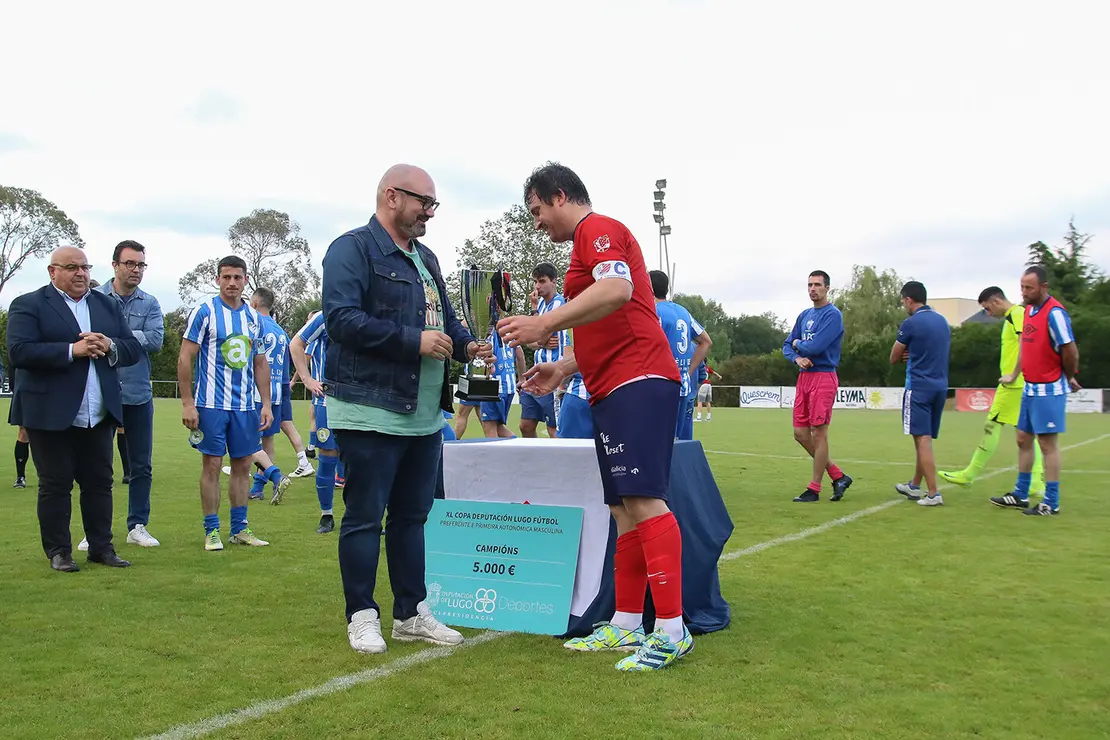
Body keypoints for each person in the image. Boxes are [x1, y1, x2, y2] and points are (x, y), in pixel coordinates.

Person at [498, 162, 691, 672]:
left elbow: (617, 291)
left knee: (645, 501)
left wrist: (542, 323)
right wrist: (562, 368)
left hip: (639, 381)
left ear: (559, 196)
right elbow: (606, 326)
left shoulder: (598, 231)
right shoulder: (582, 248)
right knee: (623, 510)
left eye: (537, 211)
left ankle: (672, 629)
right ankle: (627, 623)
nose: (538, 223)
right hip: (609, 387)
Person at [321, 163, 491, 654]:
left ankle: (411, 613)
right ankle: (362, 614)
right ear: (392, 196)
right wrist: (412, 339)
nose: (430, 214)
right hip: (370, 409)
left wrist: (467, 347)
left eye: (434, 205)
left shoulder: (426, 257)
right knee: (364, 516)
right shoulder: (351, 249)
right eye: (425, 203)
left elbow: (447, 321)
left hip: (424, 414)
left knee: (413, 517)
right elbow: (342, 320)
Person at [6, 246, 142, 571]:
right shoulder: (29, 304)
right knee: (55, 484)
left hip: (98, 412)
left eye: (84, 267)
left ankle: (101, 548)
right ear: (53, 272)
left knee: (99, 483)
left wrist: (109, 345)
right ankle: (59, 552)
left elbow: (133, 348)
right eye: (71, 267)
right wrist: (72, 350)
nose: (80, 273)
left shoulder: (106, 304)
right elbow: (19, 351)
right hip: (49, 413)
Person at [178, 255, 273, 550]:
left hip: (245, 406)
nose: (232, 283)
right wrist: (187, 402)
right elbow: (185, 357)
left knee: (243, 465)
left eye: (237, 277)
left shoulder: (255, 319)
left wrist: (266, 404)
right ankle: (211, 531)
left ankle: (240, 528)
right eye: (226, 277)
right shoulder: (204, 312)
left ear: (246, 280)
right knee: (212, 465)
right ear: (217, 279)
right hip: (210, 404)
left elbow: (259, 363)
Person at [88, 240, 165, 548]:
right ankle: (94, 529)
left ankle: (137, 525)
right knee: (96, 463)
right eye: (130, 264)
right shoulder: (94, 299)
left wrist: (114, 337)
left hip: (137, 392)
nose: (136, 270)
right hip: (99, 391)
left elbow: (156, 340)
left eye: (141, 265)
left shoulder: (150, 303)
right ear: (115, 265)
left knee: (140, 465)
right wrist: (130, 338)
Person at [991, 267, 1080, 516]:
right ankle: (1020, 494)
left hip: (1049, 388)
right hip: (1030, 387)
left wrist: (1069, 376)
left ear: (1044, 287)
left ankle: (1051, 502)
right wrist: (1015, 373)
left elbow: (1070, 351)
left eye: (1029, 287)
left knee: (1047, 444)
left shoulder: (1055, 314)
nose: (1024, 292)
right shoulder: (1028, 310)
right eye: (1022, 287)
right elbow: (1026, 348)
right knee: (1022, 439)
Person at [939, 286, 1045, 495]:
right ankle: (1037, 483)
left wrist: (1013, 374)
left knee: (993, 425)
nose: (988, 314)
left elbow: (1027, 344)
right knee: (1026, 433)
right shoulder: (1017, 315)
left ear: (996, 301)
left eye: (988, 308)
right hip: (1022, 384)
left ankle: (969, 474)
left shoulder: (1016, 314)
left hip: (1014, 385)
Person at [782, 270, 853, 503]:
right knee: (800, 433)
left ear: (827, 288)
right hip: (804, 377)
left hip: (823, 376)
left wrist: (797, 344)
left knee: (819, 433)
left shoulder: (833, 316)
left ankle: (814, 488)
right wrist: (796, 357)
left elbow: (815, 347)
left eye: (817, 285)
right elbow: (786, 346)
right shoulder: (804, 315)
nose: (813, 289)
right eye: (810, 285)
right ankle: (838, 475)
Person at [889, 281, 951, 506]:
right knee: (923, 437)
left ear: (908, 300)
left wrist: (908, 353)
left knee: (922, 439)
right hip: (940, 386)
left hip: (918, 386)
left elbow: (894, 357)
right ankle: (915, 485)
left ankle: (934, 493)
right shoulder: (942, 321)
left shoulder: (910, 324)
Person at [290, 309, 340, 533]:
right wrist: (306, 378)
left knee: (364, 461)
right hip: (328, 402)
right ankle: (326, 515)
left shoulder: (372, 310)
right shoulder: (325, 315)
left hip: (363, 403)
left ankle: (367, 517)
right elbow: (296, 344)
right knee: (328, 458)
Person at [650, 270, 712, 441]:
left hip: (661, 387)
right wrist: (688, 371)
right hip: (683, 386)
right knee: (681, 441)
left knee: (659, 443)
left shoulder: (653, 313)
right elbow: (706, 341)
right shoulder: (682, 311)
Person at [519, 262, 565, 438]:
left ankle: (556, 464)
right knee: (526, 425)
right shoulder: (540, 306)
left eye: (542, 281)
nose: (537, 286)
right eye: (535, 282)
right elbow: (531, 341)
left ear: (554, 281)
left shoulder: (558, 304)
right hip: (537, 373)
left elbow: (537, 335)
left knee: (553, 428)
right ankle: (534, 462)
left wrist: (538, 338)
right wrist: (541, 341)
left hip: (552, 374)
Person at [480, 312, 526, 439]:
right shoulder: (509, 330)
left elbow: (487, 359)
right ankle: (518, 448)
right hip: (509, 386)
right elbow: (520, 356)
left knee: (489, 427)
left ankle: (517, 450)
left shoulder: (488, 333)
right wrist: (521, 378)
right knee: (499, 427)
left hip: (494, 387)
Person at [555, 343, 593, 439]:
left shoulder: (568, 330)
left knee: (571, 447)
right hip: (614, 392)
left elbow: (569, 362)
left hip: (579, 395)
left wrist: (561, 386)